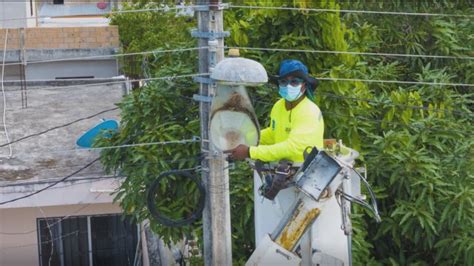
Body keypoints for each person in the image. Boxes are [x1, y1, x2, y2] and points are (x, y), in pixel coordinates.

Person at [226, 59, 324, 163]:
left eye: (294, 82)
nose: (288, 86)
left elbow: (292, 148)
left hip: (308, 172)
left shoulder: (309, 111)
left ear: (304, 85)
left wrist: (250, 152)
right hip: (285, 170)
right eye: (283, 82)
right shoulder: (279, 106)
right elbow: (273, 134)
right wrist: (243, 137)